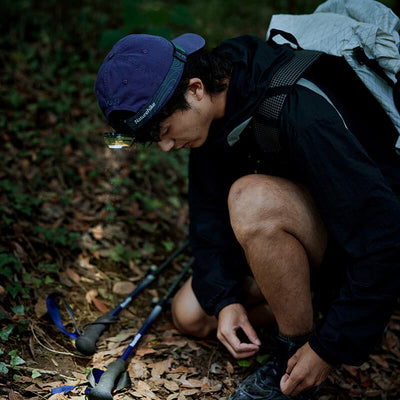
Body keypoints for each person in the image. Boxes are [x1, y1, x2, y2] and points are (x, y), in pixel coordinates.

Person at [95, 31, 400, 399]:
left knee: (250, 199)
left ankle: (295, 349)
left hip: (359, 240)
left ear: (195, 89)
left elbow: (384, 237)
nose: (166, 146)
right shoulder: (214, 105)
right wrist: (226, 301)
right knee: (193, 313)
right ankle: (321, 307)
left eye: (165, 131)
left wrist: (328, 348)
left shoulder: (299, 110)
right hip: (308, 227)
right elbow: (208, 216)